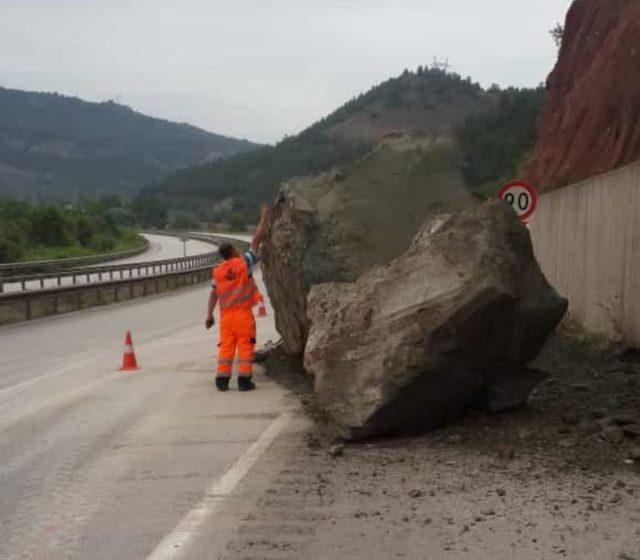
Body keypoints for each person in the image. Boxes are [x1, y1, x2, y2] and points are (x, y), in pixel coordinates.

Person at [205, 205, 269, 392]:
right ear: (233, 251)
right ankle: (244, 381)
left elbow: (213, 294)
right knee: (245, 346)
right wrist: (263, 219)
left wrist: (209, 316)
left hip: (226, 317)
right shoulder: (243, 264)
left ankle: (222, 381)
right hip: (242, 315)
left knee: (226, 348)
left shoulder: (218, 272)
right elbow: (256, 241)